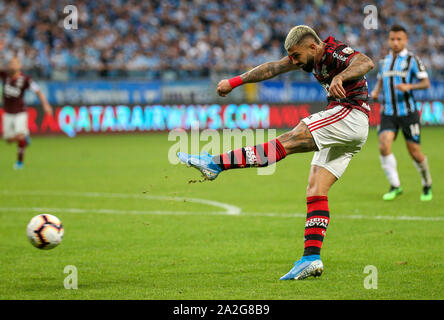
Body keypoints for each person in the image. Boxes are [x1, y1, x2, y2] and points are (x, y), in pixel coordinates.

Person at [177, 25, 374, 280]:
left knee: (289, 139)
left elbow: (365, 62)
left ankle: (215, 164)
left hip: (349, 114)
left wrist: (340, 77)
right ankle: (311, 258)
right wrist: (235, 82)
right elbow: (272, 68)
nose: (292, 61)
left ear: (313, 46)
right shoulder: (307, 58)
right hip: (351, 129)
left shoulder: (334, 52)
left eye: (296, 55)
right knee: (316, 188)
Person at [371, 25, 432, 201]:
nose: (395, 42)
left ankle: (427, 183)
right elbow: (381, 81)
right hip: (388, 112)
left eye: (399, 39)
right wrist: (376, 92)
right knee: (384, 146)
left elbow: (426, 83)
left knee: (414, 151)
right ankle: (395, 185)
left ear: (405, 41)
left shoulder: (413, 60)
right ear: (388, 40)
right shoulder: (384, 62)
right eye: (392, 39)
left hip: (408, 112)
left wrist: (409, 86)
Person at [0, 53, 53, 169]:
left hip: (20, 111)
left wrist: (46, 105)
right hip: (7, 112)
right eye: (11, 63)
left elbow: (38, 91)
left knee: (19, 136)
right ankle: (25, 139)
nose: (12, 66)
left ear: (20, 65)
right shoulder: (4, 75)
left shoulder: (26, 79)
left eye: (15, 63)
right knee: (8, 139)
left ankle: (19, 162)